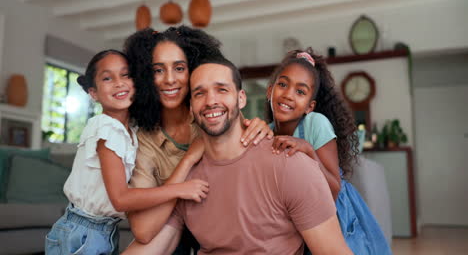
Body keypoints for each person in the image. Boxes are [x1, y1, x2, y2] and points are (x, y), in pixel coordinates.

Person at [122, 57, 353, 255]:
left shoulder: (291, 165)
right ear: (191, 108)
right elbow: (150, 244)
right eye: (200, 93)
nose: (211, 100)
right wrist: (188, 160)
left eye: (222, 90)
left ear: (241, 98)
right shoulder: (188, 182)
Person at [123, 26, 273, 252]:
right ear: (145, 76)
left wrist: (265, 128)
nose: (170, 80)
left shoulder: (213, 115)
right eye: (158, 70)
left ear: (193, 70)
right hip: (176, 227)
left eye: (180, 68)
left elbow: (252, 146)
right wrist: (188, 160)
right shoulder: (144, 140)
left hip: (227, 218)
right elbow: (143, 231)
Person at [45, 50, 209, 255]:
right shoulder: (107, 129)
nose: (119, 83)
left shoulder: (130, 129)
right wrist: (180, 189)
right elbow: (120, 198)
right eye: (107, 78)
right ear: (93, 93)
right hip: (82, 233)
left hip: (102, 229)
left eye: (126, 75)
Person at [267, 48, 392, 254]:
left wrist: (308, 150)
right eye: (282, 84)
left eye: (300, 91)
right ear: (269, 91)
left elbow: (333, 188)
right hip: (296, 217)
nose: (288, 94)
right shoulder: (267, 133)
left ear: (310, 106)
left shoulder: (316, 124)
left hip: (334, 215)